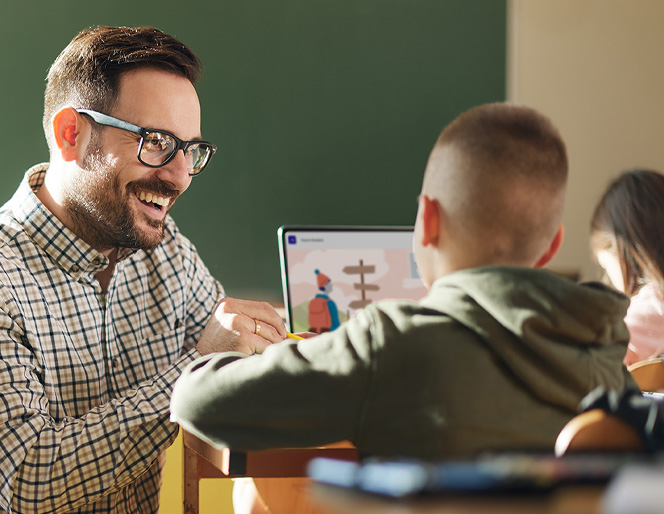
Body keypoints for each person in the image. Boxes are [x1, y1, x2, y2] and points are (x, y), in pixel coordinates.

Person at [0, 26, 287, 514]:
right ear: (71, 134)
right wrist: (198, 372)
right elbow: (29, 480)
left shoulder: (166, 254)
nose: (179, 175)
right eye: (156, 142)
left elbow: (236, 369)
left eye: (190, 150)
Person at [170, 102, 637, 462]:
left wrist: (218, 353)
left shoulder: (391, 345)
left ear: (428, 220)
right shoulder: (607, 357)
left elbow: (196, 402)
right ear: (551, 247)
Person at [590, 169, 664, 367]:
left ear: (623, 252)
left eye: (606, 267)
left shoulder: (648, 309)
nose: (608, 279)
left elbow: (594, 365)